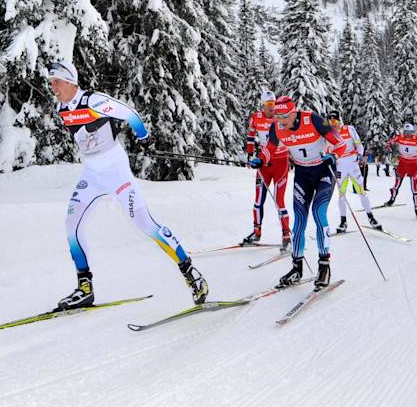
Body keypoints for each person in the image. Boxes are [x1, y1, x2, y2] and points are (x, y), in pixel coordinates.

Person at [49, 61, 208, 310]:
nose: (53, 87)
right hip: (92, 173)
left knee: (146, 224)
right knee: (71, 226)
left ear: (70, 81)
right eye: (51, 83)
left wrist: (144, 138)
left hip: (117, 171)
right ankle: (84, 288)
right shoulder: (61, 107)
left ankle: (191, 273)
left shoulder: (94, 101)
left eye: (56, 82)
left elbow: (130, 114)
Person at [260, 96, 348, 291]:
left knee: (319, 212)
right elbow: (269, 148)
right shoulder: (277, 128)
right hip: (302, 174)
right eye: (277, 116)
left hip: (324, 172)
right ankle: (296, 268)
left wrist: (333, 156)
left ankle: (324, 266)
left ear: (293, 113)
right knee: (299, 220)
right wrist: (260, 159)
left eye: (284, 117)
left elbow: (340, 142)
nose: (280, 121)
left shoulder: (314, 119)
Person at [241, 90, 292, 249]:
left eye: (274, 104)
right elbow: (250, 137)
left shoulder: (280, 118)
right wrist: (250, 156)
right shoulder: (256, 118)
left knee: (279, 200)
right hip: (263, 164)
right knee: (258, 201)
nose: (272, 108)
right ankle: (256, 232)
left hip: (280, 162)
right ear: (263, 105)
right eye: (269, 105)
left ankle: (286, 235)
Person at [327, 110, 385, 234]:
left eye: (335, 121)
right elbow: (329, 150)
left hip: (353, 165)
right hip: (340, 167)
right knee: (341, 195)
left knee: (361, 192)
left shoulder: (349, 129)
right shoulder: (329, 134)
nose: (333, 124)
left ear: (339, 120)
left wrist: (359, 155)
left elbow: (358, 144)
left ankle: (371, 218)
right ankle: (343, 222)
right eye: (330, 121)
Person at [383, 122, 417, 219]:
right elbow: (389, 142)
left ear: (412, 132)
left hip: (413, 165)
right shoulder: (399, 137)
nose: (407, 134)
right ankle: (391, 200)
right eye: (406, 132)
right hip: (402, 163)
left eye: (409, 132)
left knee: (414, 189)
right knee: (396, 185)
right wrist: (387, 147)